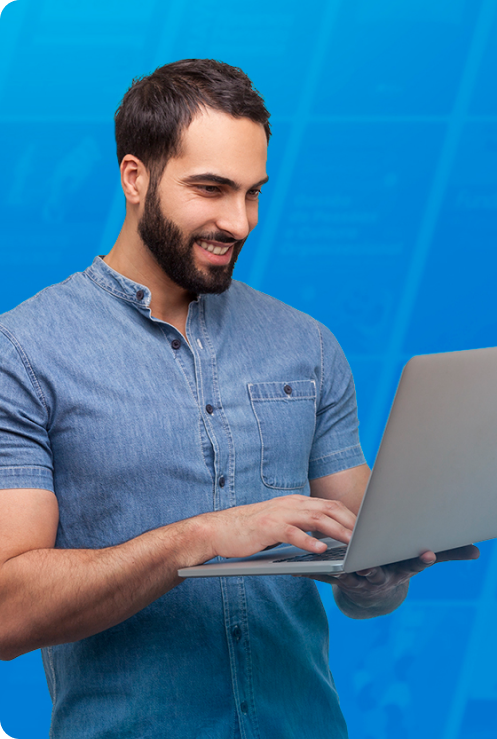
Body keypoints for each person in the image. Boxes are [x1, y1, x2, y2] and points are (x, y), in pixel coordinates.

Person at [0, 59, 478, 739]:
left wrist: (376, 577)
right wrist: (199, 538)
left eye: (253, 192)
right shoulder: (22, 353)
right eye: (211, 189)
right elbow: (7, 612)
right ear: (135, 177)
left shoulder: (306, 344)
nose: (239, 220)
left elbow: (362, 584)